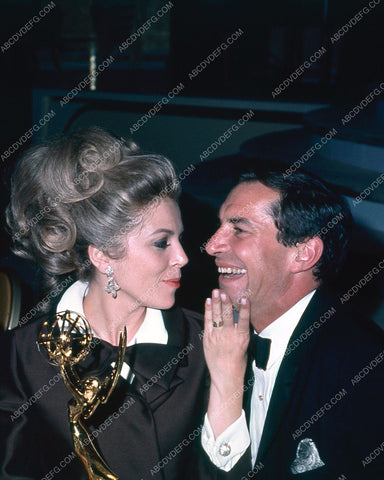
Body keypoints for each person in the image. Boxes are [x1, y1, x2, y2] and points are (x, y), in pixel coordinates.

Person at [0, 127, 210, 480]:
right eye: (162, 243)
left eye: (180, 239)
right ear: (102, 257)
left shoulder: (209, 344)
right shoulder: (20, 357)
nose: (184, 257)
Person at [201, 170, 384, 479]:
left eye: (239, 230)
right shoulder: (209, 342)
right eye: (220, 227)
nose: (211, 245)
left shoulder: (364, 366)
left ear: (303, 254)